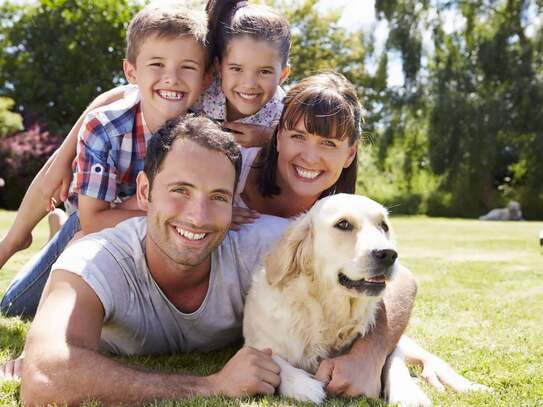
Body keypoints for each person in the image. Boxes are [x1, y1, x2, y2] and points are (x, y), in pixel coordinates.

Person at [19, 115, 409, 405]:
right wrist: (210, 386)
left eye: (219, 197)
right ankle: (58, 231)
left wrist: (369, 354)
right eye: (180, 190)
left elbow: (399, 279)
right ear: (144, 192)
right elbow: (43, 377)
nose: (199, 216)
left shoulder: (255, 242)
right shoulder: (95, 261)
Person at [0, 2, 211, 318]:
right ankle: (53, 235)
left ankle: (55, 234)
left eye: (188, 67)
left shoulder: (204, 135)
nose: (172, 78)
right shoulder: (106, 127)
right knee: (14, 308)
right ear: (131, 72)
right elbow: (95, 220)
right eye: (157, 64)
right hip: (91, 223)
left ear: (206, 79)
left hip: (146, 232)